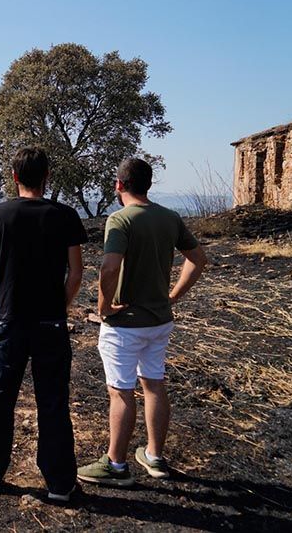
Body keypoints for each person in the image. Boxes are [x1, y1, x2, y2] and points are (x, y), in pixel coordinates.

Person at [78, 158, 206, 487]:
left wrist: (104, 305)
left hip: (125, 325)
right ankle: (154, 457)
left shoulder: (120, 220)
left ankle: (116, 466)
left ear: (119, 186)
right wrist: (173, 296)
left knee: (120, 392)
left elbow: (109, 268)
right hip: (159, 321)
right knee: (154, 384)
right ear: (148, 185)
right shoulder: (169, 218)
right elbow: (197, 259)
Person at [0, 147, 87, 503]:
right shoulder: (65, 216)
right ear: (47, 177)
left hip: (8, 319)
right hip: (50, 322)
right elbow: (76, 272)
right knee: (53, 400)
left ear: (15, 176)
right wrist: (61, 306)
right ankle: (59, 483)